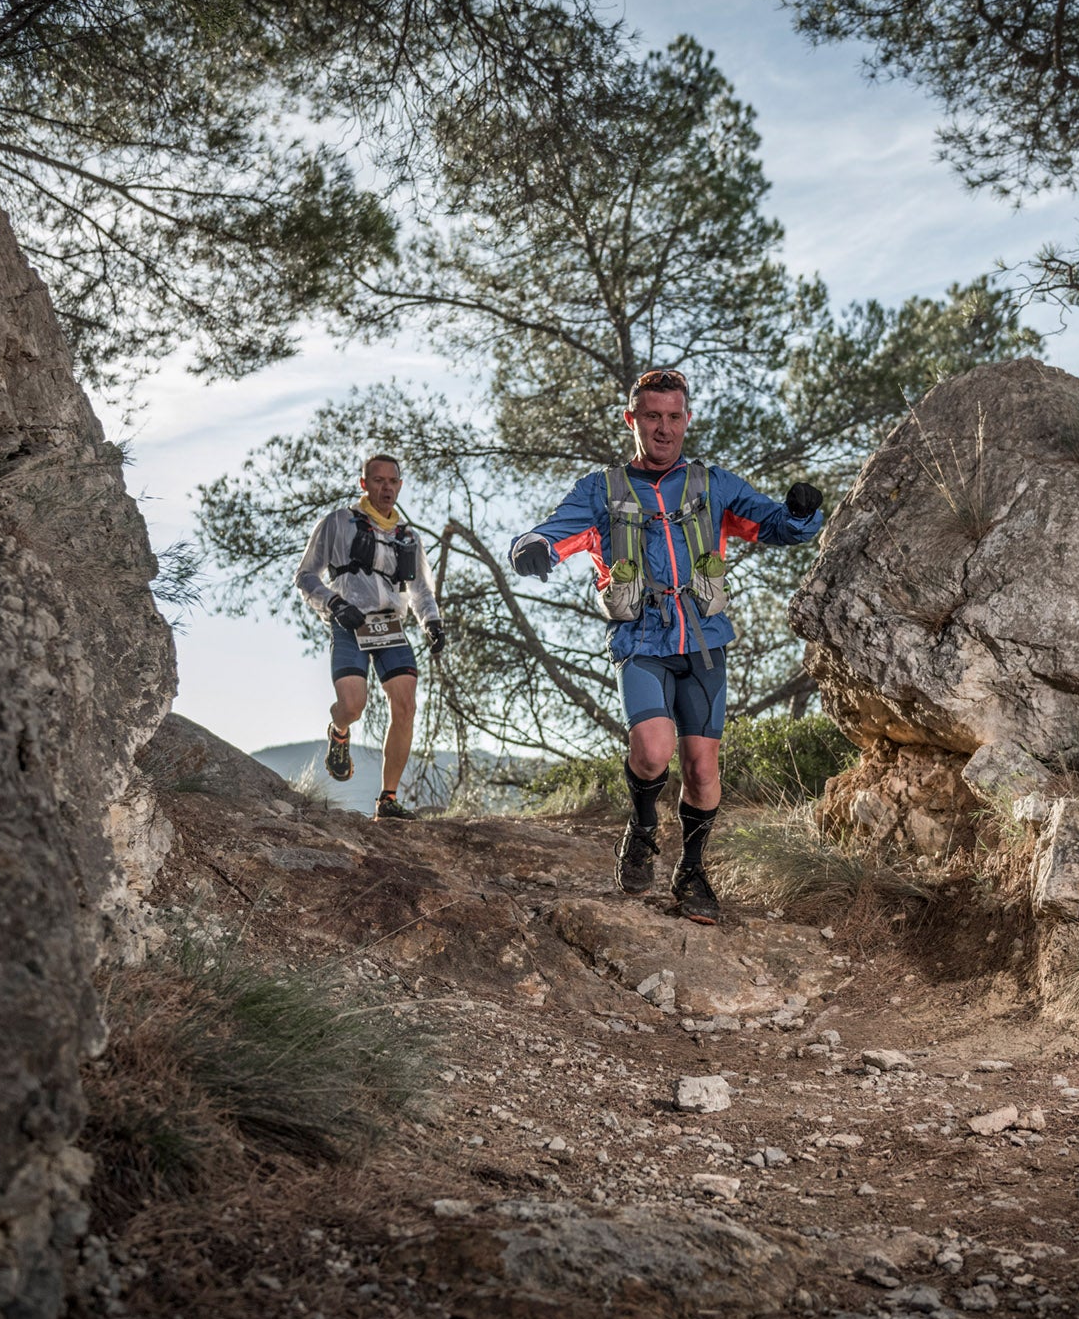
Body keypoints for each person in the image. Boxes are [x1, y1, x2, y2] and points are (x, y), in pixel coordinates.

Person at [509, 369, 824, 924]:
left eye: (673, 417)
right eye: (652, 416)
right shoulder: (602, 489)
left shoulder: (712, 484)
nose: (663, 428)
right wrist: (531, 548)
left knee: (702, 771)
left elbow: (774, 525)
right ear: (632, 420)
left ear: (686, 420)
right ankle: (642, 826)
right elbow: (552, 532)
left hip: (704, 644)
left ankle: (692, 872)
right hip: (642, 641)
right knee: (652, 751)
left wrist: (801, 513)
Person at [296, 453, 446, 820]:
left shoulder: (408, 537)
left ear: (400, 485)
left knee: (406, 704)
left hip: (390, 627)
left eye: (393, 481)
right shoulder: (338, 523)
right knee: (352, 706)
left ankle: (388, 799)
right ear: (364, 484)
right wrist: (333, 603)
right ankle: (339, 731)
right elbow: (306, 576)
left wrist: (432, 623)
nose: (386, 487)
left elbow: (421, 590)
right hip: (349, 621)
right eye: (378, 480)